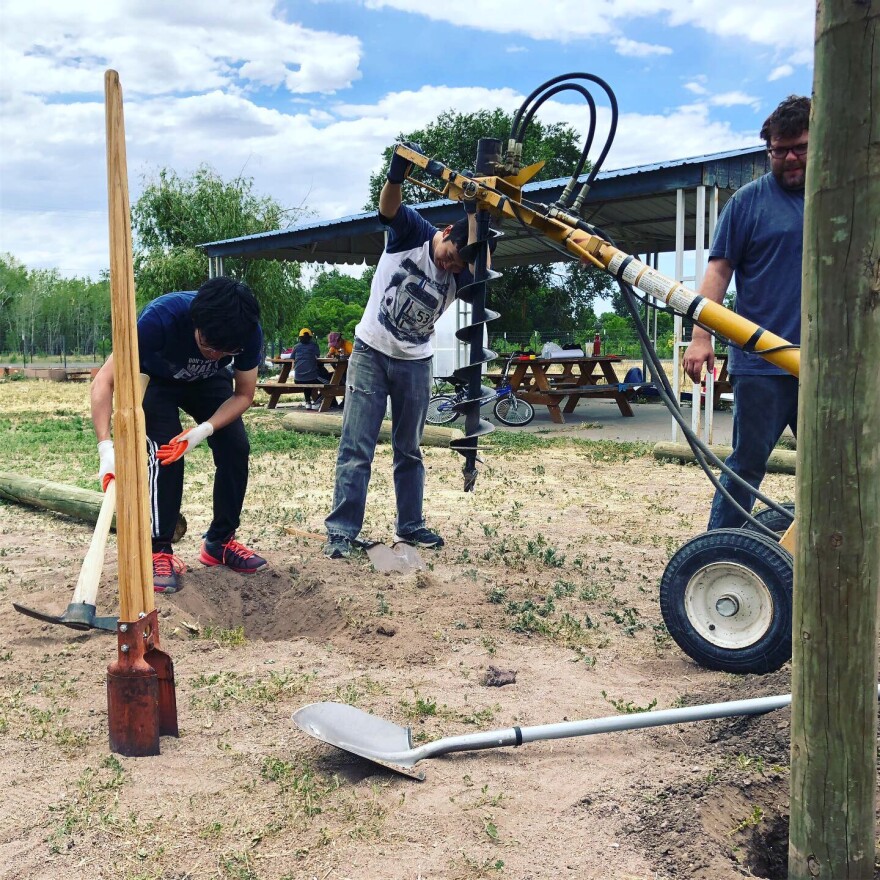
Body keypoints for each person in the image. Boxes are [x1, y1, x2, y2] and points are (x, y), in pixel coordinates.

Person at [323, 143, 480, 558]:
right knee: (357, 445)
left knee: (409, 449)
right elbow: (389, 207)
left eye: (458, 267)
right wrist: (394, 176)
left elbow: (477, 259)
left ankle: (410, 526)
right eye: (449, 257)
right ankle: (341, 531)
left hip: (416, 363)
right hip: (371, 352)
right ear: (444, 234)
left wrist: (476, 212)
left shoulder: (466, 270)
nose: (449, 268)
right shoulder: (413, 231)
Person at [91, 277, 268, 593]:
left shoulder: (246, 332)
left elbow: (243, 394)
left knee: (235, 447)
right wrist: (106, 448)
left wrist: (204, 430)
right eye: (208, 346)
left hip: (207, 385)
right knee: (164, 449)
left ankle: (219, 543)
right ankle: (159, 548)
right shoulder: (159, 319)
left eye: (226, 352)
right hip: (156, 379)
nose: (215, 355)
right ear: (195, 324)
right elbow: (104, 381)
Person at [683, 95, 809, 529]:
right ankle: (717, 550)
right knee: (748, 463)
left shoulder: (842, 198)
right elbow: (718, 272)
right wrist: (702, 337)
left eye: (801, 147)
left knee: (837, 463)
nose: (790, 157)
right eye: (780, 149)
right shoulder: (748, 202)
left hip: (830, 363)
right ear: (768, 148)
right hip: (762, 362)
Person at [292, 328, 331, 409]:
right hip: (312, 377)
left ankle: (308, 402)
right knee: (330, 383)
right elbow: (317, 356)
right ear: (310, 337)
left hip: (297, 379)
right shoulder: (314, 345)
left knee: (307, 380)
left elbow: (292, 357)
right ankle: (317, 401)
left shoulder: (296, 347)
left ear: (299, 338)